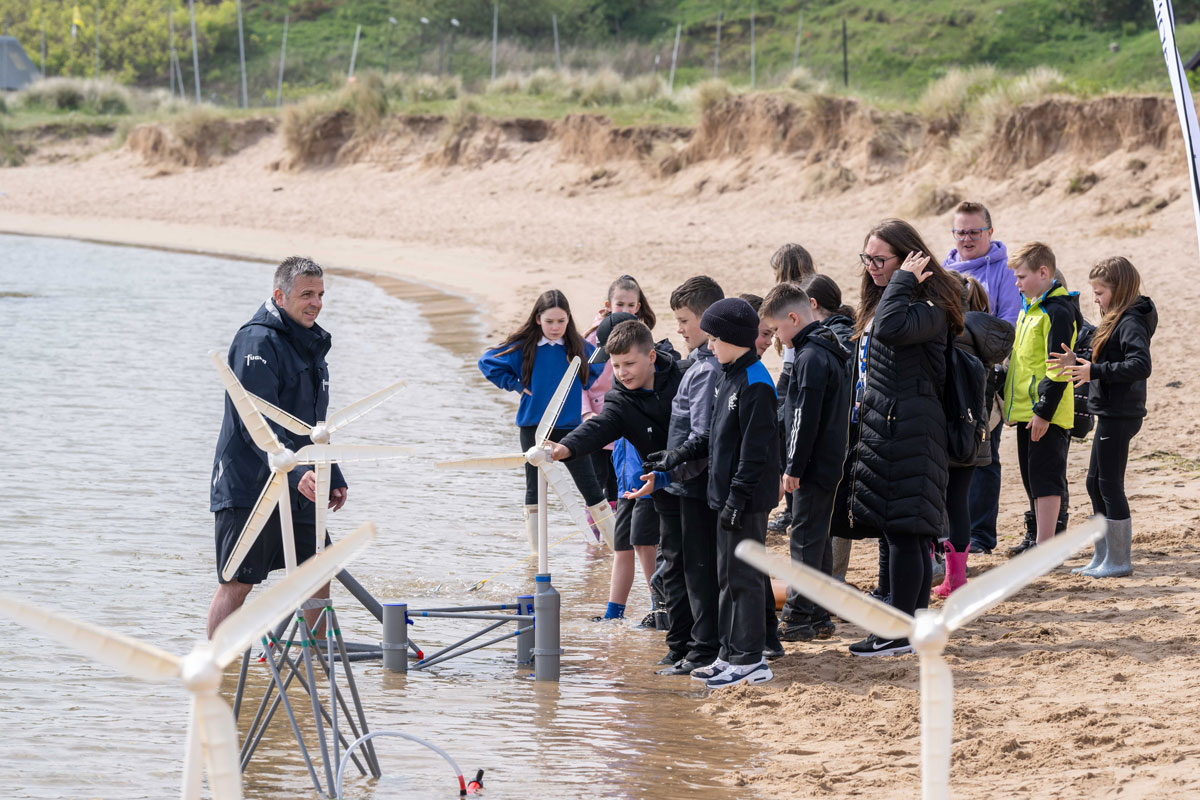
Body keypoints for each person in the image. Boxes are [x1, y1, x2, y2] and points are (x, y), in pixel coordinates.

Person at [207, 256, 348, 639]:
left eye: (320, 294)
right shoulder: (256, 341)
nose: (316, 303)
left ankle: (313, 665)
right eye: (306, 294)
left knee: (319, 569)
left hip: (299, 481)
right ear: (279, 296)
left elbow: (315, 422)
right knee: (238, 582)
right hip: (250, 485)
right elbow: (260, 421)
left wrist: (331, 472)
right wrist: (300, 472)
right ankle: (217, 673)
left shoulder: (311, 341)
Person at [841, 219, 963, 657]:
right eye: (867, 258)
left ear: (910, 259)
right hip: (887, 425)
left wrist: (905, 281)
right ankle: (905, 627)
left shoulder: (928, 310)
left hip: (911, 427)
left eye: (880, 260)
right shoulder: (892, 302)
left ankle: (900, 631)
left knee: (905, 532)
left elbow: (892, 327)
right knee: (899, 533)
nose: (871, 268)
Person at [648, 298, 781, 688]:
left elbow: (755, 454)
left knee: (745, 579)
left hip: (746, 500)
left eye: (715, 338)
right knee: (725, 578)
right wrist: (676, 456)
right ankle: (728, 653)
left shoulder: (756, 382)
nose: (709, 346)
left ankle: (751, 659)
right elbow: (712, 438)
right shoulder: (727, 374)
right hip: (722, 495)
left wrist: (737, 500)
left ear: (735, 339)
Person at [546, 320, 685, 641]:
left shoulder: (682, 376)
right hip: (648, 486)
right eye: (616, 366)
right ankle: (661, 618)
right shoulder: (620, 398)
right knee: (649, 551)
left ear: (651, 357)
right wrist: (565, 447)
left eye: (629, 364)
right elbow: (600, 427)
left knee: (679, 556)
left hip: (691, 481)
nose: (622, 373)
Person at [478, 290, 613, 552]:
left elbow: (600, 363)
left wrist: (580, 384)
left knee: (591, 488)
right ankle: (535, 556)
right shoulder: (525, 345)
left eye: (561, 321)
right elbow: (487, 362)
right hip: (533, 426)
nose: (555, 327)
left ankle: (614, 549)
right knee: (534, 489)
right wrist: (515, 384)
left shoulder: (576, 346)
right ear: (538, 319)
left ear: (568, 319)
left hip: (571, 427)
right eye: (549, 321)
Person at [636, 277, 724, 675]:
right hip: (680, 482)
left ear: (707, 319)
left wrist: (672, 460)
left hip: (695, 483)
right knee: (685, 567)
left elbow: (702, 435)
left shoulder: (707, 370)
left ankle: (702, 649)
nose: (679, 327)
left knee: (698, 571)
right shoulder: (696, 364)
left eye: (685, 319)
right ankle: (688, 645)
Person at [1049, 257, 1156, 578]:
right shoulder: (1118, 318)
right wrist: (1080, 360)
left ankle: (1119, 560)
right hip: (1110, 411)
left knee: (1109, 484)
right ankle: (1103, 556)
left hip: (1121, 414)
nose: (1095, 299)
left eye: (1100, 292)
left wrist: (1092, 370)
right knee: (1094, 482)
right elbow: (1114, 358)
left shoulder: (1130, 322)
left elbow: (1141, 364)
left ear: (1120, 289)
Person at [760, 283, 851, 641]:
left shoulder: (811, 357)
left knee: (804, 539)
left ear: (794, 318)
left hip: (811, 465)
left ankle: (799, 615)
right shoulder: (830, 348)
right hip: (827, 461)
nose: (777, 339)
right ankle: (816, 615)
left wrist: (792, 468)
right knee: (816, 538)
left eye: (777, 330)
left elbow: (803, 417)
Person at [943, 202, 1021, 555]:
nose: (968, 238)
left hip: (989, 376)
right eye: (961, 232)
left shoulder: (1004, 270)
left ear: (990, 232)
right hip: (948, 375)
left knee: (985, 456)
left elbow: (1008, 324)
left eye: (975, 231)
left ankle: (982, 537)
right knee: (950, 457)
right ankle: (952, 537)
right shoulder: (945, 267)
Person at [936, 273, 1014, 598]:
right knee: (959, 505)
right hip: (975, 433)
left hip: (944, 431)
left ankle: (941, 573)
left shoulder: (948, 334)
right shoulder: (983, 336)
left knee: (938, 504)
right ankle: (957, 578)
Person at [1003, 243, 1080, 550]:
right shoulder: (1029, 308)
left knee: (1046, 480)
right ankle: (1038, 539)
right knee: (1031, 479)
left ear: (1043, 272)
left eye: (1021, 276)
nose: (1017, 283)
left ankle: (1045, 549)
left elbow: (1058, 367)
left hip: (1047, 413)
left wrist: (1044, 411)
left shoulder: (1057, 310)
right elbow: (1022, 362)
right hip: (1026, 411)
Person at [583, 276, 660, 511]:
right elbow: (579, 384)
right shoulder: (592, 339)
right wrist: (587, 415)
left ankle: (617, 535)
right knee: (596, 485)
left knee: (621, 482)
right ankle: (596, 544)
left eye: (630, 305)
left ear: (638, 307)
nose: (624, 309)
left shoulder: (641, 338)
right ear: (608, 305)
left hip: (627, 423)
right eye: (619, 305)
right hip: (598, 420)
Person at [801, 274, 856, 581]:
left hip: (839, 434)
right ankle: (832, 578)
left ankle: (831, 580)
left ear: (812, 304)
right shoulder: (848, 333)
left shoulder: (831, 338)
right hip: (847, 430)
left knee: (831, 510)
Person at [768, 245, 817, 536]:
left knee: (787, 436)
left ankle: (791, 509)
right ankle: (791, 507)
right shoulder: (813, 289)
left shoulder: (790, 297)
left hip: (792, 371)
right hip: (794, 368)